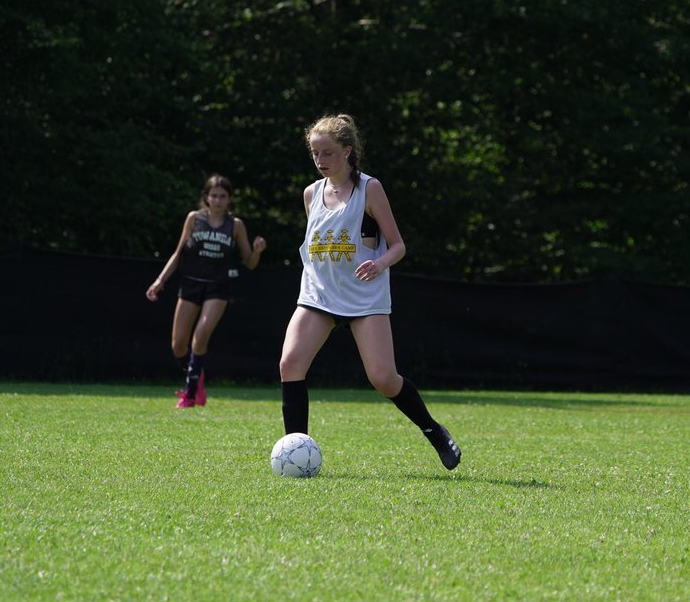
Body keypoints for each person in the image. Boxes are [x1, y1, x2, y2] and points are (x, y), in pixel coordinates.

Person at [278, 114, 461, 470]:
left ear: (347, 152)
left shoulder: (369, 189)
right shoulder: (311, 194)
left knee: (382, 378)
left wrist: (379, 263)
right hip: (318, 296)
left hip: (364, 298)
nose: (320, 160)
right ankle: (296, 453)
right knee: (290, 364)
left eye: (327, 153)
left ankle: (434, 431)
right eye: (315, 153)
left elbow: (397, 246)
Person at [147, 175, 266, 408]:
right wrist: (160, 281)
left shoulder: (236, 225)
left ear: (229, 199)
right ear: (206, 197)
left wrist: (257, 251)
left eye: (223, 196)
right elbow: (178, 253)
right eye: (214, 195)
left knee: (199, 338)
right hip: (191, 284)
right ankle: (196, 377)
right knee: (178, 345)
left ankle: (190, 395)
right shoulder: (194, 219)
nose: (218, 200)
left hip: (218, 288)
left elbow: (250, 263)